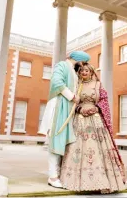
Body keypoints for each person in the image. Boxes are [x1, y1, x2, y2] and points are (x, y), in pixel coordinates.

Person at [59, 63, 126, 193]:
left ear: (91, 72)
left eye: (87, 70)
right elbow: (71, 102)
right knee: (78, 148)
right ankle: (77, 182)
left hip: (96, 120)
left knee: (98, 150)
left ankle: (102, 182)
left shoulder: (98, 85)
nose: (84, 72)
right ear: (79, 73)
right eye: (82, 71)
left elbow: (104, 100)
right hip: (80, 120)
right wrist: (79, 109)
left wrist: (96, 108)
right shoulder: (76, 85)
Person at [39, 51, 91, 188]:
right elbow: (57, 82)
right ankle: (53, 176)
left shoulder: (73, 71)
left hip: (67, 109)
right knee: (55, 140)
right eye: (83, 62)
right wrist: (72, 96)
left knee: (62, 142)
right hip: (58, 107)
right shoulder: (62, 65)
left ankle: (58, 173)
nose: (83, 66)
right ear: (79, 60)